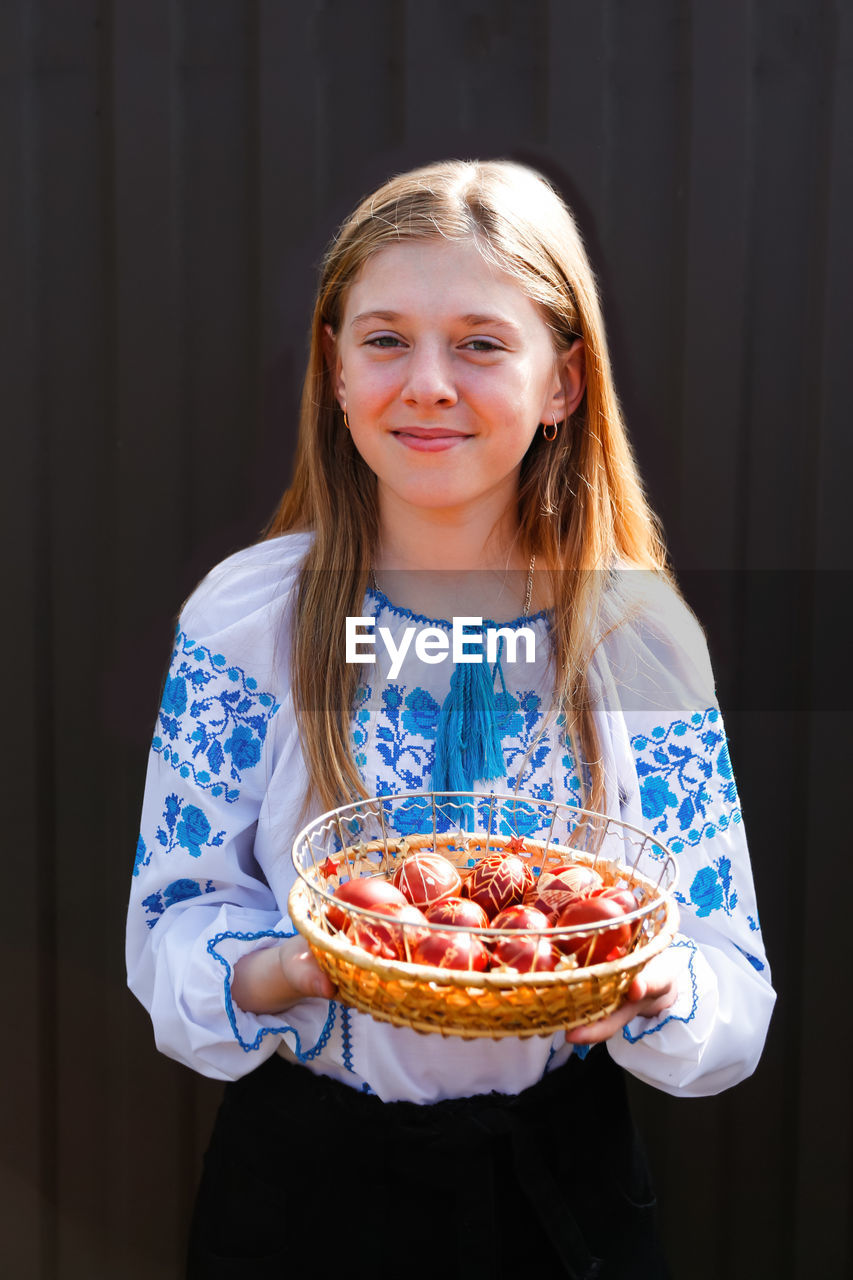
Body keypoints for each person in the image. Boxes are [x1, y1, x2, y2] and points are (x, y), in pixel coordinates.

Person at [127, 159, 775, 1278]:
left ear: (562, 382)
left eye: (481, 341)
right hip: (306, 1194)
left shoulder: (638, 637)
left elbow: (730, 980)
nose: (427, 381)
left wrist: (659, 983)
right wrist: (289, 966)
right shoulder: (251, 618)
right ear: (333, 371)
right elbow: (171, 923)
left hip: (561, 1197)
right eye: (384, 339)